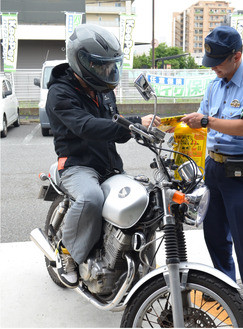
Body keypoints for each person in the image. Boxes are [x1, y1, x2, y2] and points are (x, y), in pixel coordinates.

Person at [45, 24, 160, 289]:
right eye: (100, 65)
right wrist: (133, 123)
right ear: (81, 61)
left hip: (109, 164)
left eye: (111, 65)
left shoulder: (103, 90)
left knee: (146, 200)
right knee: (91, 197)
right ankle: (68, 255)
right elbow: (85, 126)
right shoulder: (60, 93)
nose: (108, 71)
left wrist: (141, 130)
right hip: (76, 164)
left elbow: (113, 124)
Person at [180, 26, 243, 317]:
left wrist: (206, 121)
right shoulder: (214, 85)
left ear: (237, 56)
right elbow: (202, 123)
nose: (214, 69)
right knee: (215, 233)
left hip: (241, 171)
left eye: (219, 63)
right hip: (213, 168)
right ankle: (225, 284)